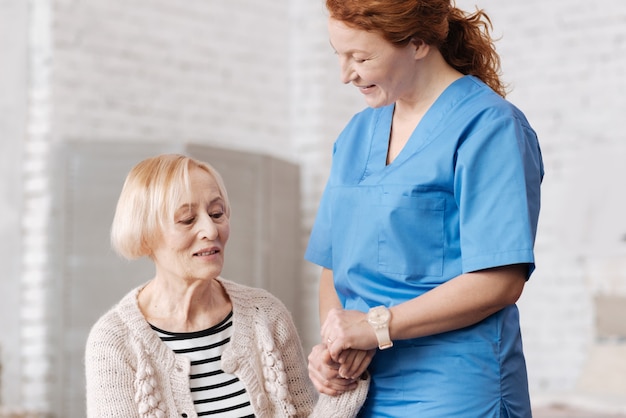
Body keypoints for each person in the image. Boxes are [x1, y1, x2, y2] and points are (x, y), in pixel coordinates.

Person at [305, 0, 544, 416]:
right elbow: (334, 265)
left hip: (456, 390)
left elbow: (500, 280)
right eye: (339, 55)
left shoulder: (489, 127)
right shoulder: (357, 134)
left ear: (417, 43)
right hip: (362, 390)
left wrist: (376, 327)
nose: (345, 75)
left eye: (361, 57)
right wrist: (337, 344)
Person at [85, 154, 368, 418]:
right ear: (145, 232)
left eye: (217, 213)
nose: (211, 230)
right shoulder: (113, 342)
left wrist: (344, 373)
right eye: (187, 219)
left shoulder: (266, 315)